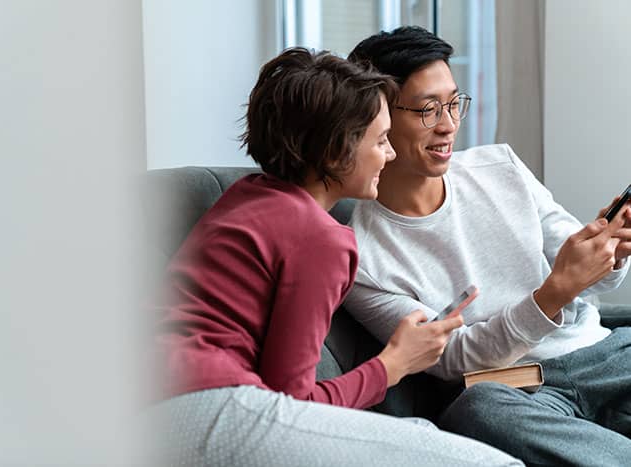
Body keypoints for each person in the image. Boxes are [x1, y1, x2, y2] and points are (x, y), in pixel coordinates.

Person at [149, 47, 522, 466]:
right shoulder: (320, 237)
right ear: (335, 151)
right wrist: (394, 363)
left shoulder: (249, 195)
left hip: (156, 403)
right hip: (203, 405)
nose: (390, 154)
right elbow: (296, 403)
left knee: (421, 433)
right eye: (380, 141)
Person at [344, 25, 631, 466]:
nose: (448, 125)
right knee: (479, 410)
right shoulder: (363, 256)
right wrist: (552, 294)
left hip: (602, 355)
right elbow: (451, 359)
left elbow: (590, 277)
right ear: (376, 116)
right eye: (428, 110)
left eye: (453, 103)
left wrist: (611, 250)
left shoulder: (501, 167)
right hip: (520, 389)